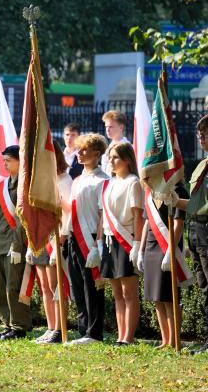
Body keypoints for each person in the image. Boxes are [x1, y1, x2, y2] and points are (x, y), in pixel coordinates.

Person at [169, 114, 208, 353]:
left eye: (205, 133)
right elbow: (195, 202)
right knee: (204, 287)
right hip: (195, 229)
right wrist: (175, 201)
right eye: (199, 133)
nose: (201, 137)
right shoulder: (202, 165)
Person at [65, 133, 109, 345]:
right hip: (75, 236)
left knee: (93, 286)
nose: (80, 154)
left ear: (97, 153)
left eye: (85, 150)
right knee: (77, 285)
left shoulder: (103, 180)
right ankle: (83, 329)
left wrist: (97, 245)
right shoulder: (77, 180)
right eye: (79, 150)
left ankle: (94, 332)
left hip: (91, 238)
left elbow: (102, 214)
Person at [100, 142, 143, 345]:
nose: (111, 160)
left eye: (115, 157)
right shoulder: (109, 183)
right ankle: (120, 335)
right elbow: (103, 217)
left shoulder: (133, 182)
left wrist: (136, 244)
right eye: (110, 157)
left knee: (129, 292)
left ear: (127, 160)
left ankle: (129, 337)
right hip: (110, 240)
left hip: (126, 239)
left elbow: (137, 216)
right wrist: (98, 243)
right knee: (117, 292)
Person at [32, 141, 73, 344]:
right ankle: (50, 327)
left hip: (57, 237)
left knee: (57, 287)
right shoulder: (42, 180)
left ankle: (59, 328)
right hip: (42, 236)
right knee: (45, 287)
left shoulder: (65, 179)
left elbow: (68, 211)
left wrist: (60, 242)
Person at [139, 181, 189, 349]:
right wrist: (141, 249)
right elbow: (147, 222)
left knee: (169, 296)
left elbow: (178, 223)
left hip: (167, 244)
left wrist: (170, 250)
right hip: (151, 246)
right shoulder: (150, 191)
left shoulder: (177, 189)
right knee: (157, 297)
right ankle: (165, 340)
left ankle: (175, 340)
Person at [0, 145, 28, 340]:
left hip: (14, 243)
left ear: (20, 162)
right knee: (0, 287)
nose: (5, 164)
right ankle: (7, 323)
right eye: (4, 160)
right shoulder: (2, 185)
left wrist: (17, 245)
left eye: (9, 160)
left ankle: (18, 325)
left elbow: (22, 219)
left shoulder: (23, 185)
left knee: (14, 286)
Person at [101, 110, 130, 175]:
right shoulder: (109, 146)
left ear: (121, 127)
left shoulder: (127, 148)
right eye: (106, 127)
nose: (107, 130)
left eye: (111, 127)